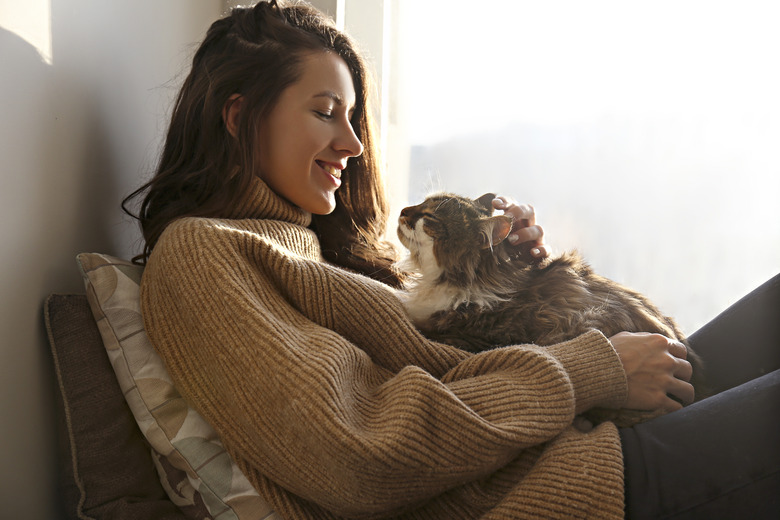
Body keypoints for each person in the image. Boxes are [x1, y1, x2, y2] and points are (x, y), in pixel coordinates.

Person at [124, 1, 780, 518]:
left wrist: (518, 279)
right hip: (560, 493)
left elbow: (457, 364)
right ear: (238, 117)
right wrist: (589, 370)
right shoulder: (202, 261)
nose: (353, 142)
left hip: (577, 444)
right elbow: (362, 455)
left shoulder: (309, 251)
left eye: (354, 117)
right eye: (327, 113)